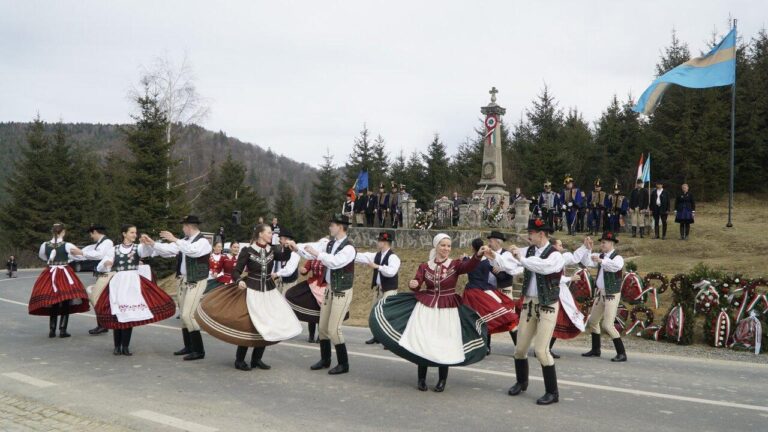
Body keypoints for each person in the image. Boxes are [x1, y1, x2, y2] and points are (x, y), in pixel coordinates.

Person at [369, 233, 489, 393]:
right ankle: (421, 378)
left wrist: (478, 255)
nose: (446, 248)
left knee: (445, 343)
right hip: (426, 307)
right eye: (443, 245)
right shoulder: (425, 266)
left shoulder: (455, 264)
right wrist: (414, 284)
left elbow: (470, 266)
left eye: (448, 245)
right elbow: (417, 283)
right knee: (423, 341)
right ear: (436, 246)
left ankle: (442, 380)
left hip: (447, 308)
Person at [196, 224, 302, 371]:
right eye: (269, 232)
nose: (272, 235)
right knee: (249, 324)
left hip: (269, 292)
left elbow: (284, 256)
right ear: (260, 234)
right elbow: (236, 271)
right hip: (252, 290)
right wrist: (239, 281)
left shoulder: (272, 250)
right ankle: (239, 360)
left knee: (268, 324)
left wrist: (289, 247)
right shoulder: (248, 251)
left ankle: (257, 359)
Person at [498, 218, 565, 405]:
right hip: (529, 305)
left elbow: (543, 267)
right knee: (519, 349)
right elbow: (510, 267)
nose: (529, 236)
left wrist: (521, 258)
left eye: (531, 233)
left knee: (541, 351)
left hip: (547, 306)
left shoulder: (555, 255)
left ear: (541, 234)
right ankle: (521, 382)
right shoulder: (528, 252)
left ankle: (553, 392)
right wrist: (494, 256)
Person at [94, 224, 176, 355]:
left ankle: (125, 346)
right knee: (118, 313)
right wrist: (106, 263)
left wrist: (148, 242)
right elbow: (100, 267)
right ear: (124, 234)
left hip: (132, 283)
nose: (134, 235)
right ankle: (117, 346)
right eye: (132, 232)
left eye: (135, 233)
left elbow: (148, 251)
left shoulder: (138, 248)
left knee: (130, 315)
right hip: (118, 283)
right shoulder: (114, 249)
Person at [140, 215, 212, 361]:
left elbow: (193, 251)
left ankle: (199, 350)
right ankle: (189, 346)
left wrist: (175, 240)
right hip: (184, 280)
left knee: (188, 315)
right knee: (184, 318)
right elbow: (167, 251)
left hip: (196, 280)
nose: (182, 229)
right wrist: (152, 243)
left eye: (183, 226)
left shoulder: (203, 241)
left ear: (189, 226)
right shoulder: (184, 241)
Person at [297, 214, 357, 375]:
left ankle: (344, 364)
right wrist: (296, 248)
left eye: (332, 225)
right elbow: (312, 253)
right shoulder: (330, 244)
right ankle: (325, 359)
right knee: (322, 327)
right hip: (330, 288)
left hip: (342, 291)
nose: (330, 227)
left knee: (334, 329)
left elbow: (334, 262)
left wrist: (317, 254)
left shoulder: (349, 247)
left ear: (340, 227)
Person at [28, 223, 89, 338]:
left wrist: (52, 259)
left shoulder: (44, 244)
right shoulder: (67, 245)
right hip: (64, 272)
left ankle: (52, 329)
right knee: (65, 300)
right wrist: (68, 258)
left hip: (50, 273)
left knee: (53, 301)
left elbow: (43, 256)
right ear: (63, 232)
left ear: (52, 232)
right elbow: (80, 256)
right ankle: (62, 330)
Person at [462, 236, 520, 356]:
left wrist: (463, 259)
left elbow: (462, 266)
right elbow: (501, 276)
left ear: (473, 248)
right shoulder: (486, 261)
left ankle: (484, 347)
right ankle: (516, 345)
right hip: (485, 291)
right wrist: (502, 273)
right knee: (491, 316)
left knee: (478, 318)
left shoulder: (468, 260)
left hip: (471, 293)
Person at [576, 232, 627, 362]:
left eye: (604, 242)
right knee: (593, 321)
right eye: (601, 242)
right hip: (600, 293)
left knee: (608, 325)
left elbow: (616, 267)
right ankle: (596, 349)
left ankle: (622, 353)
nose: (602, 244)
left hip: (612, 294)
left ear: (611, 243)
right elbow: (586, 261)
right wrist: (588, 249)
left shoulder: (618, 258)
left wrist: (601, 260)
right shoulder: (601, 256)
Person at [285, 241, 349, 343]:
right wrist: (303, 270)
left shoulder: (329, 258)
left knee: (321, 312)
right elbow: (306, 269)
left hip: (324, 286)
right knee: (310, 308)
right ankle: (311, 335)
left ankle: (321, 335)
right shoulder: (312, 257)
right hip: (312, 285)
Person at [354, 231, 401, 345]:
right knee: (375, 313)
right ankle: (377, 336)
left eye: (379, 240)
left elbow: (391, 272)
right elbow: (363, 257)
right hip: (379, 288)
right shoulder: (377, 255)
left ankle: (389, 340)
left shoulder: (393, 257)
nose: (377, 242)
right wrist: (351, 253)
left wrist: (378, 267)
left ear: (384, 243)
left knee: (387, 314)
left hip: (389, 290)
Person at [547, 238, 587, 358]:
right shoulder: (550, 259)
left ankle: (546, 348)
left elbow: (574, 257)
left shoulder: (560, 257)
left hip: (561, 293)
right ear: (553, 246)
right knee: (554, 321)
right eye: (559, 245)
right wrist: (571, 278)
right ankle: (545, 348)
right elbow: (554, 278)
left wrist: (584, 246)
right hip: (554, 293)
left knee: (556, 321)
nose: (562, 247)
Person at [77, 223, 115, 335]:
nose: (91, 236)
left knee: (97, 298)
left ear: (95, 232)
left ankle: (104, 324)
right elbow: (90, 251)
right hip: (102, 274)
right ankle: (103, 324)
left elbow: (99, 255)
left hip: (106, 274)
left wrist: (82, 253)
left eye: (91, 234)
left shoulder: (107, 242)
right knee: (99, 299)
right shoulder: (100, 243)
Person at [273, 229, 301, 294]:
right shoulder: (284, 249)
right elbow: (279, 259)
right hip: (282, 281)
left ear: (287, 240)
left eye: (281, 239)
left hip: (290, 284)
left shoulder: (294, 252)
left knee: (286, 302)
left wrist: (276, 274)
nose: (279, 240)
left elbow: (289, 270)